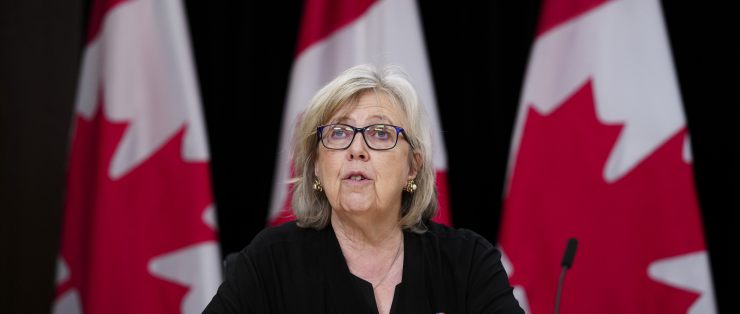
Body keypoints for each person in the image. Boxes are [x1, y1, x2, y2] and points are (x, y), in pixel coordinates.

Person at [203, 64, 523, 314]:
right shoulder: (270, 262)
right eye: (339, 133)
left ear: (412, 166)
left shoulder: (467, 262)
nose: (357, 149)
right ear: (316, 163)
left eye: (380, 133)